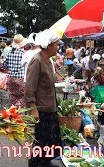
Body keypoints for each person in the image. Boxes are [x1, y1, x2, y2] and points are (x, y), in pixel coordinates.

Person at [25, 29, 61, 167]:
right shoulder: (37, 60)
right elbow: (30, 86)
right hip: (41, 109)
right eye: (57, 45)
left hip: (50, 107)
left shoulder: (47, 60)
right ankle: (36, 164)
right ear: (49, 45)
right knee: (41, 141)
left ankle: (45, 162)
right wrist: (33, 108)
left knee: (50, 140)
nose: (58, 47)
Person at [3, 34, 26, 107]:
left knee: (13, 97)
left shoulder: (9, 53)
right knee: (24, 96)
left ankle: (13, 112)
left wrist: (11, 68)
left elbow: (4, 65)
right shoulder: (24, 54)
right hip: (20, 79)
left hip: (10, 79)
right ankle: (16, 110)